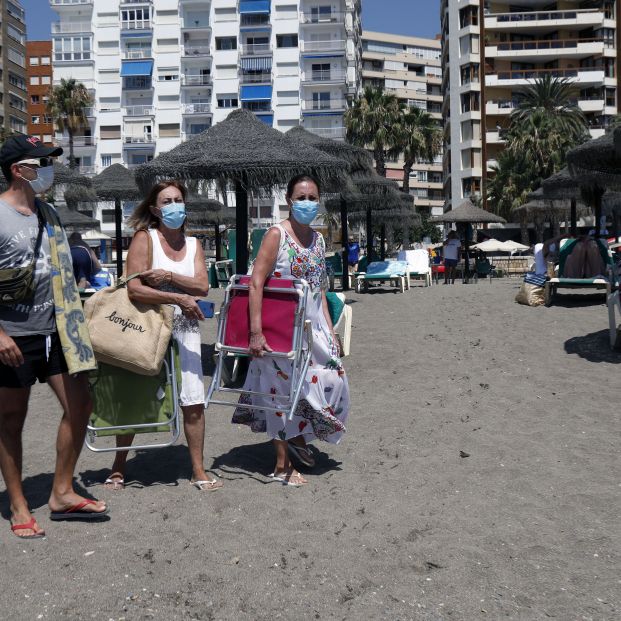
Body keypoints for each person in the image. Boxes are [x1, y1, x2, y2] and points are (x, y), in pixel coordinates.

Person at [0, 135, 107, 538]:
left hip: (59, 329)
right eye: (39, 162)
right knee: (11, 418)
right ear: (18, 170)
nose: (47, 169)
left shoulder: (49, 213)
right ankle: (18, 503)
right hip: (14, 335)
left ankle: (61, 490)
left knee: (81, 404)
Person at [103, 180, 222, 492]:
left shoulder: (194, 244)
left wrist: (169, 278)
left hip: (185, 330)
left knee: (193, 399)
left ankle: (198, 469)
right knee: (135, 394)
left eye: (179, 200)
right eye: (167, 201)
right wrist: (177, 297)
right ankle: (118, 467)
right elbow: (134, 287)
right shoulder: (146, 238)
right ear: (155, 209)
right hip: (149, 327)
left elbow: (202, 286)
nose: (174, 206)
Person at [232, 174, 349, 486]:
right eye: (301, 197)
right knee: (279, 392)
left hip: (312, 327)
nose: (307, 203)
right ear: (289, 200)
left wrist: (330, 330)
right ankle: (282, 465)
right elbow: (256, 282)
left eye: (312, 197)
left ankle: (297, 438)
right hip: (279, 326)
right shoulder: (276, 235)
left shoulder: (319, 240)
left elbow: (320, 289)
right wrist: (256, 333)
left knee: (332, 380)